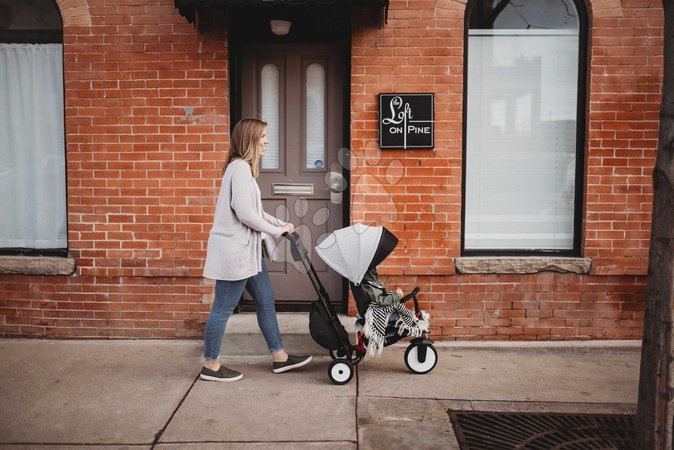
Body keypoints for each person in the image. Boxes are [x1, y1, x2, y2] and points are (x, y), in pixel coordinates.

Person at [200, 118, 312, 382]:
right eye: (263, 136)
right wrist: (276, 231)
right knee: (223, 309)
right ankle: (211, 365)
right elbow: (245, 214)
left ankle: (280, 358)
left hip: (249, 254)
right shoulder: (238, 169)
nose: (267, 141)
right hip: (235, 254)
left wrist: (280, 224)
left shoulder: (244, 170)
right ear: (250, 139)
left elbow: (257, 212)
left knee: (265, 300)